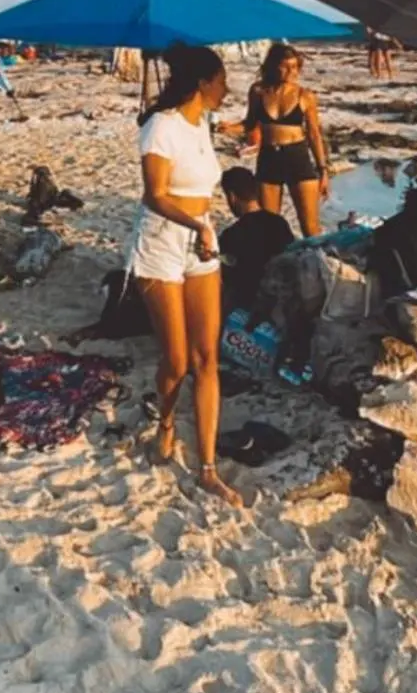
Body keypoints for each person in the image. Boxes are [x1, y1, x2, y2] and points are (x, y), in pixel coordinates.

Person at [128, 43, 242, 506]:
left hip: (201, 239)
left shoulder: (202, 125)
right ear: (203, 83)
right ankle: (166, 421)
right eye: (222, 81)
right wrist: (196, 225)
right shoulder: (161, 126)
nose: (226, 89)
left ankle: (208, 468)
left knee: (207, 357)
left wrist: (203, 227)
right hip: (162, 240)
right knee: (176, 360)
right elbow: (154, 194)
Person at [243, 42, 330, 238]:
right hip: (268, 158)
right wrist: (224, 127)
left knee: (310, 229)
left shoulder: (305, 96)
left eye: (295, 67)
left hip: (297, 157)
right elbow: (249, 124)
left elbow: (314, 134)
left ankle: (318, 258)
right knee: (268, 228)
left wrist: (323, 170)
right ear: (273, 66)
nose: (291, 71)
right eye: (285, 66)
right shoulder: (258, 92)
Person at [219, 166, 295, 310]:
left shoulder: (231, 234)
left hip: (248, 302)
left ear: (232, 197)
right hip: (281, 298)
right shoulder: (279, 223)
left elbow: (226, 276)